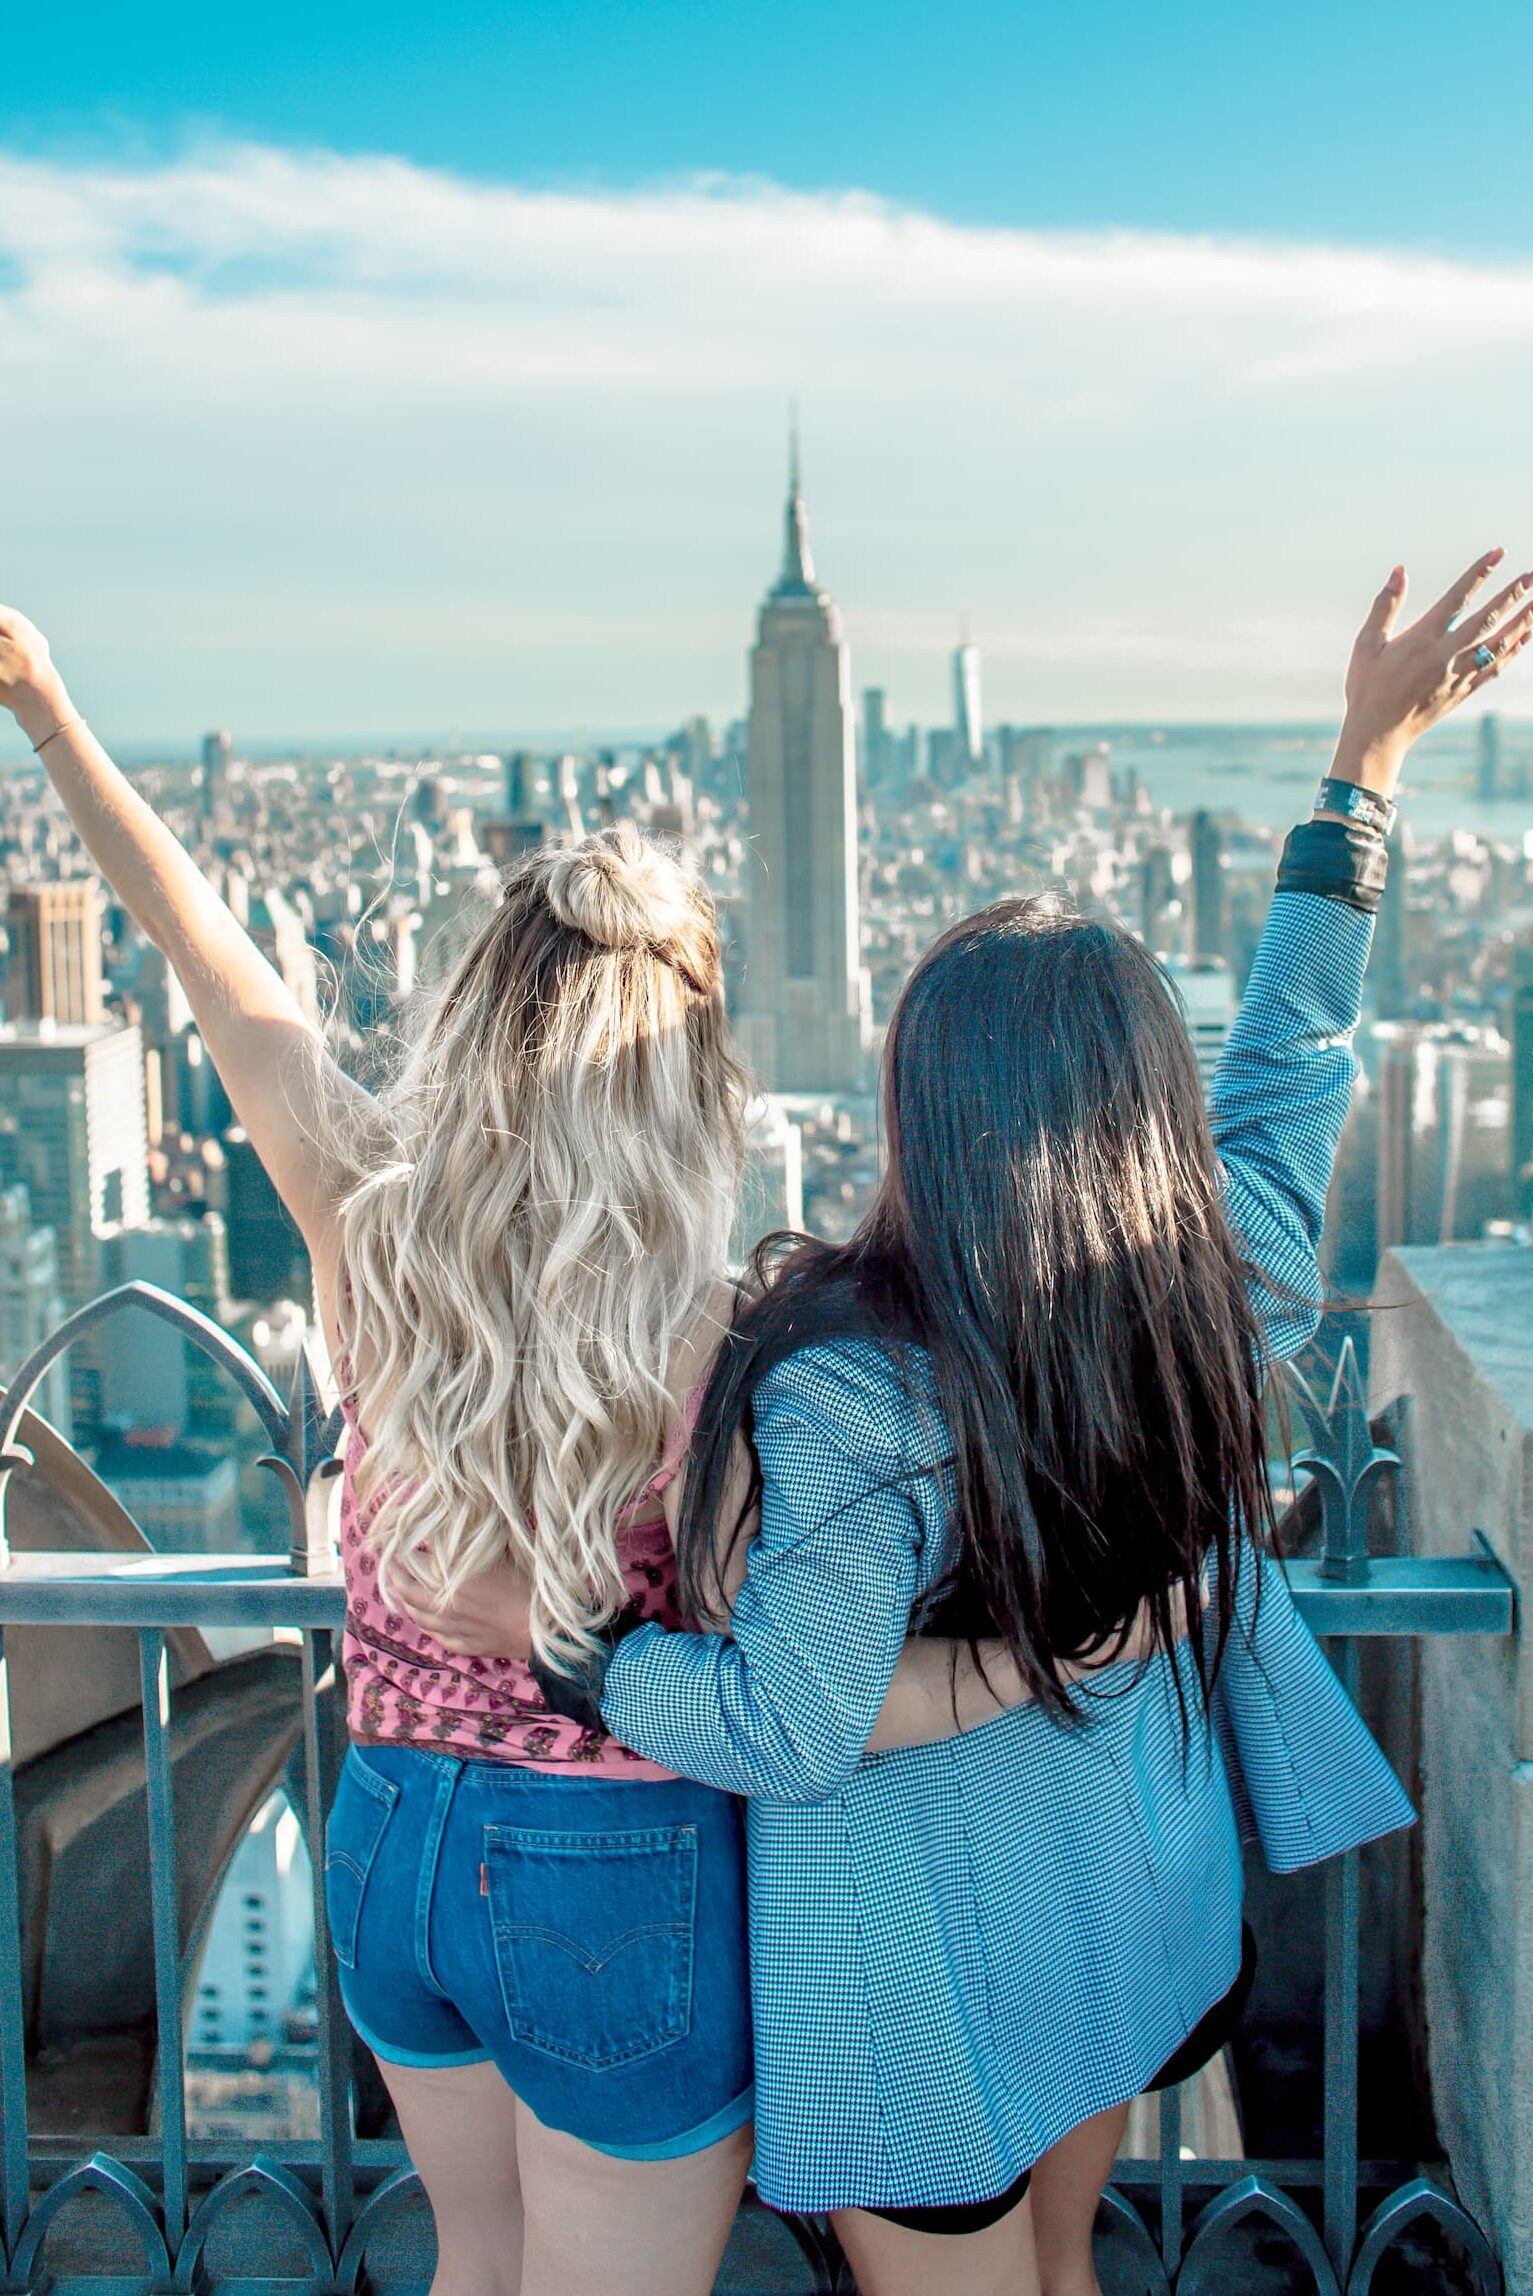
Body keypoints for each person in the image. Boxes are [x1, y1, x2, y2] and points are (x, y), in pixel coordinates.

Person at [408, 552, 1532, 2296]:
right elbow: (1296, 1047)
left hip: (922, 1967)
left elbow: (785, 1729)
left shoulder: (853, 1379)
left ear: (920, 1113)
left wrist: (560, 1655)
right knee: (1068, 2272)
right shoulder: (1224, 1281)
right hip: (1134, 1906)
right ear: (1143, 1103)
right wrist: (1359, 773)